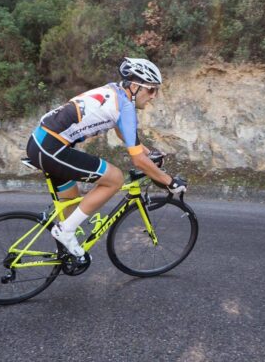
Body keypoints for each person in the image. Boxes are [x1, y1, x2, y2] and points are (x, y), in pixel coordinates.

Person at [25, 57, 187, 258]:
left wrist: (147, 152)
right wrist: (170, 182)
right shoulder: (125, 107)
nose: (154, 96)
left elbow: (122, 132)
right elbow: (137, 161)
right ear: (135, 86)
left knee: (72, 201)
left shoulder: (114, 91)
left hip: (40, 143)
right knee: (115, 178)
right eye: (151, 89)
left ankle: (65, 253)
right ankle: (65, 232)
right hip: (51, 149)